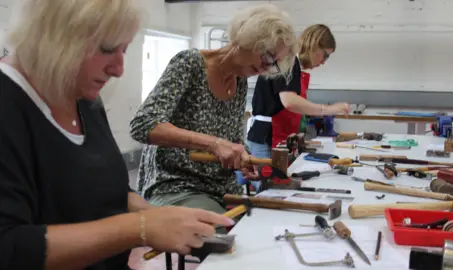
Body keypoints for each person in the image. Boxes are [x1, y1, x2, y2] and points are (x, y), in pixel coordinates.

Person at [0, 1, 234, 269]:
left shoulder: (81, 95)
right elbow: (9, 246)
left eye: (124, 50)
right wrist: (138, 228)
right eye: (107, 50)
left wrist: (156, 217)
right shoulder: (8, 103)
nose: (119, 69)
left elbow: (107, 190)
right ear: (54, 35)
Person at [129, 4, 297, 228]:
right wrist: (214, 144)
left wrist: (244, 159)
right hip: (177, 185)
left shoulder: (239, 81)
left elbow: (233, 139)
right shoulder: (190, 64)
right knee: (230, 239)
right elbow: (143, 125)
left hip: (221, 188)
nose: (267, 68)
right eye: (268, 57)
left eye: (274, 64)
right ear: (249, 39)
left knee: (267, 230)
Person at [246, 24, 350, 158]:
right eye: (325, 55)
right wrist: (329, 109)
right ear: (314, 45)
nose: (323, 62)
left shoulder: (294, 65)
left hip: (274, 138)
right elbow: (290, 102)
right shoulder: (287, 61)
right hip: (267, 139)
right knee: (267, 178)